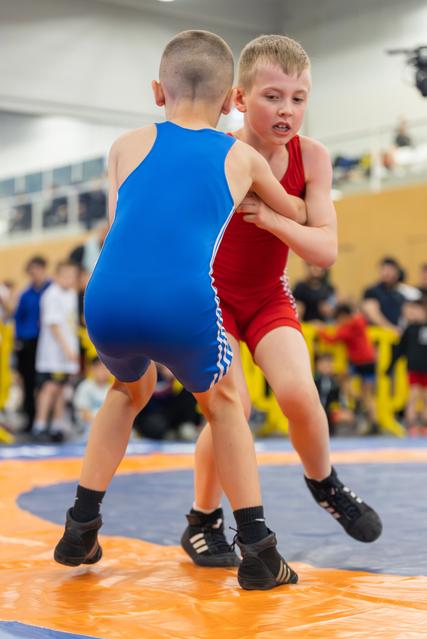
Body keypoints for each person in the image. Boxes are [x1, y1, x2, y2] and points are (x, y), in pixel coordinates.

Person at [54, 29, 314, 591]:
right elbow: (293, 207)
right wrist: (283, 193)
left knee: (128, 391)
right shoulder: (239, 154)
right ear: (230, 102)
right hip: (181, 300)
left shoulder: (125, 144)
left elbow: (123, 220)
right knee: (225, 404)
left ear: (157, 91)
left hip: (105, 297)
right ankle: (259, 549)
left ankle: (80, 527)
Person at [180, 34, 382, 570]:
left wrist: (271, 217)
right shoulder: (217, 151)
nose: (287, 110)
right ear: (240, 99)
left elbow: (327, 249)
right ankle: (202, 520)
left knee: (300, 394)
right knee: (233, 408)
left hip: (268, 295)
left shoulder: (311, 156)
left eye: (298, 98)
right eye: (273, 96)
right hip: (212, 298)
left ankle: (324, 482)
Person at [33, 261, 80, 441]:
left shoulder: (71, 294)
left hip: (68, 354)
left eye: (72, 276)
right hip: (54, 354)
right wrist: (67, 348)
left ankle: (57, 425)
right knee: (49, 388)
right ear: (58, 275)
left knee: (62, 388)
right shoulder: (52, 294)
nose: (70, 279)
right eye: (66, 275)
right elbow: (54, 325)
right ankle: (40, 424)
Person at [319, 303, 378, 430]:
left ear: (343, 316)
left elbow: (331, 338)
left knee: (342, 380)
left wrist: (320, 329)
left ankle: (357, 399)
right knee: (368, 394)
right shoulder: (360, 321)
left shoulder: (347, 328)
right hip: (370, 361)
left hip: (358, 363)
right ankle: (374, 421)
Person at [13, 256, 51, 433]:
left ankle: (46, 420)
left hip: (46, 342)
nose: (34, 273)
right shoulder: (26, 294)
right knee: (27, 382)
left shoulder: (52, 290)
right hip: (27, 342)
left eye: (37, 269)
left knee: (46, 383)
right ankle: (31, 419)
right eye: (31, 270)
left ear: (44, 269)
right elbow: (18, 318)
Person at [387, 299, 427, 435]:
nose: (414, 313)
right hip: (414, 368)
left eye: (417, 310)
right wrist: (390, 366)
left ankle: (424, 424)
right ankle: (411, 424)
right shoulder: (409, 329)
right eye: (412, 311)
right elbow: (400, 349)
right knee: (414, 394)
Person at [73, 357, 111, 441]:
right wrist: (101, 422)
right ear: (93, 369)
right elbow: (84, 413)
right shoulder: (85, 386)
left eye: (106, 369)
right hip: (88, 425)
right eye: (100, 369)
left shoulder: (112, 388)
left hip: (108, 425)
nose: (103, 372)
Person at [362, 257, 405, 329]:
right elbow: (372, 314)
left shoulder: (400, 295)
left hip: (395, 333)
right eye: (384, 269)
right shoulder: (371, 291)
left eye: (390, 270)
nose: (387, 273)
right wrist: (391, 329)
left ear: (397, 272)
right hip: (377, 333)